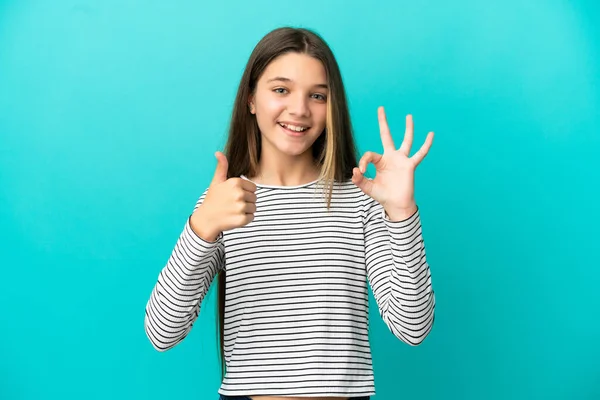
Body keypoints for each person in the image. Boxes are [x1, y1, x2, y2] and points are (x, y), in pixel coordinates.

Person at [144, 26, 436, 400]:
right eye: (281, 90)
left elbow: (413, 328)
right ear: (251, 99)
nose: (299, 109)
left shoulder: (361, 201)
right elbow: (162, 333)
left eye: (317, 95)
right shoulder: (225, 201)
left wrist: (401, 214)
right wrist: (201, 228)